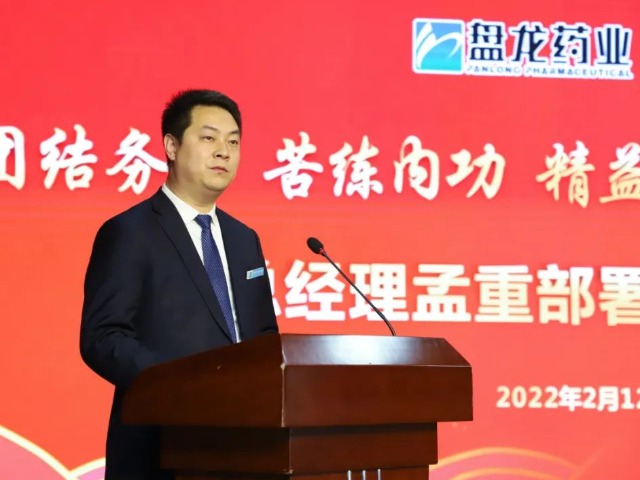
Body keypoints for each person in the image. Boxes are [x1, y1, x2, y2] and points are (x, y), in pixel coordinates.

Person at [80, 89, 279, 480]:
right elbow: (103, 338)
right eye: (208, 138)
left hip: (245, 448)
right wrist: (181, 386)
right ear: (171, 146)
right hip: (160, 446)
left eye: (233, 142)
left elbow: (263, 336)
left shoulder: (244, 239)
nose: (223, 152)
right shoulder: (130, 232)